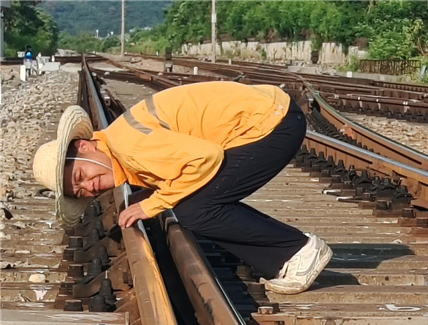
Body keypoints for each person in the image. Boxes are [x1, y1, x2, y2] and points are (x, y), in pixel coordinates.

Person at [32, 81, 332, 294]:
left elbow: (206, 158)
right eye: (80, 192)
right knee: (191, 201)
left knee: (195, 210)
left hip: (271, 124)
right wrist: (154, 194)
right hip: (270, 116)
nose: (89, 186)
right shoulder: (121, 143)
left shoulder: (129, 146)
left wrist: (152, 204)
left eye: (81, 175)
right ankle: (282, 258)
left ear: (85, 146)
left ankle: (298, 250)